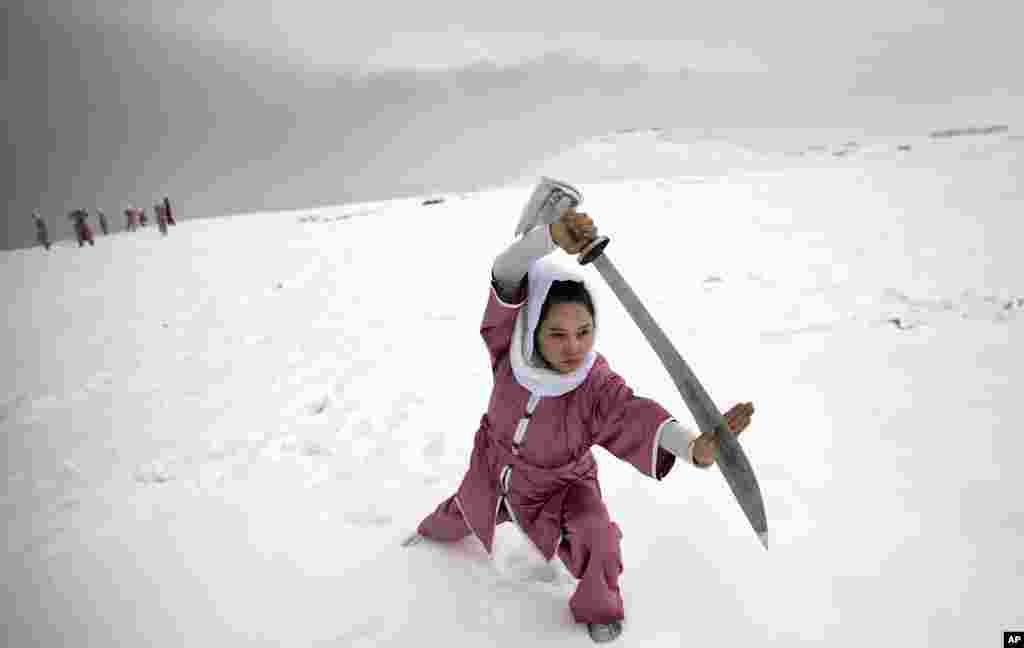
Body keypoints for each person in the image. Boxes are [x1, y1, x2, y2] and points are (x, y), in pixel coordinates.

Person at [402, 208, 755, 643]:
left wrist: (694, 447)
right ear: (531, 330)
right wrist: (549, 236)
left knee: (599, 539)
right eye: (557, 334)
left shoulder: (595, 386)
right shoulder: (507, 349)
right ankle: (429, 538)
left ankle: (600, 610)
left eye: (584, 331)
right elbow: (506, 272)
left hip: (562, 488)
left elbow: (637, 415)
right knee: (461, 510)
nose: (574, 347)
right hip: (495, 470)